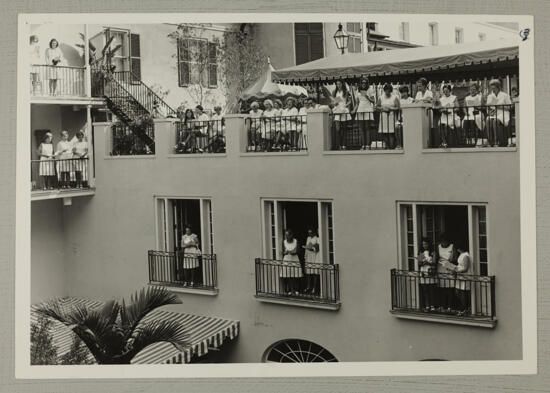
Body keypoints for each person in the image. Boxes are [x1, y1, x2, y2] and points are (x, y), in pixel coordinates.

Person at [434, 233, 458, 313]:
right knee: (442, 287)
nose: (443, 243)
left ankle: (449, 306)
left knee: (450, 288)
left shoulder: (452, 246)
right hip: (440, 268)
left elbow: (455, 258)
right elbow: (436, 257)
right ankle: (443, 305)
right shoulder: (438, 247)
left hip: (449, 268)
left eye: (445, 242)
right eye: (442, 242)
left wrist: (450, 261)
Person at [485, 79, 512, 147]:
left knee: (495, 121)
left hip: (503, 113)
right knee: (488, 119)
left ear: (498, 87)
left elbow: (510, 107)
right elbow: (488, 107)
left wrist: (500, 107)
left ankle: (497, 141)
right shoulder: (490, 96)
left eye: (494, 88)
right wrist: (489, 112)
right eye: (491, 88)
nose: (493, 90)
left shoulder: (505, 95)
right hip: (494, 113)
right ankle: (490, 141)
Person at [449, 241, 471, 316]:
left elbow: (465, 268)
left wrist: (456, 270)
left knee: (463, 293)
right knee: (457, 292)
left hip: (464, 276)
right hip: (459, 276)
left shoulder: (466, 255)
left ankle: (464, 309)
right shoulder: (461, 254)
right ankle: (463, 307)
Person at [353, 78, 376, 150]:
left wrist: (367, 97)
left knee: (367, 128)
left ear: (367, 83)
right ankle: (363, 145)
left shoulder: (370, 90)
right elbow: (357, 103)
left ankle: (368, 145)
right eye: (362, 83)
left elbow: (373, 101)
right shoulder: (358, 91)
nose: (363, 84)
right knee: (361, 129)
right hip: (360, 109)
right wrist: (354, 110)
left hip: (367, 108)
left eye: (365, 83)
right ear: (360, 83)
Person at [376, 84, 400, 149]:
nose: (387, 92)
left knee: (391, 132)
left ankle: (392, 146)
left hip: (391, 116)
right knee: (384, 133)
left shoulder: (395, 97)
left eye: (389, 91)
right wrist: (382, 109)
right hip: (383, 116)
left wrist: (391, 109)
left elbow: (398, 107)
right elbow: (377, 107)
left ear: (391, 91)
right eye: (386, 91)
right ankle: (387, 146)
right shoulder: (381, 97)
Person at [463, 83, 486, 147]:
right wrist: (465, 112)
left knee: (473, 120)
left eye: (474, 89)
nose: (472, 91)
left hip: (477, 112)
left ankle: (473, 138)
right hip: (469, 113)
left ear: (477, 90)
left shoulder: (480, 97)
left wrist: (479, 107)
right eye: (471, 89)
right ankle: (467, 138)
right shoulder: (467, 98)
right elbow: (464, 107)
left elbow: (484, 107)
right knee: (465, 120)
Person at [331, 80, 352, 150]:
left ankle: (344, 145)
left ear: (342, 84)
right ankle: (339, 144)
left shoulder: (346, 92)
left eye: (339, 84)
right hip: (337, 110)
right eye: (337, 84)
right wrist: (334, 103)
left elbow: (350, 101)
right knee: (338, 129)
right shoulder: (334, 92)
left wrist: (346, 105)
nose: (338, 85)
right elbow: (333, 101)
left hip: (344, 110)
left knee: (344, 129)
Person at [281, 229, 302, 296]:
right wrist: (285, 252)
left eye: (288, 235)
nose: (287, 237)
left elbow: (298, 250)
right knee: (287, 274)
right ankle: (289, 289)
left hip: (294, 259)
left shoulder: (296, 241)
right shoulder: (284, 242)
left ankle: (296, 289)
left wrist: (294, 252)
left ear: (291, 235)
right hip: (287, 259)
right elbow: (283, 251)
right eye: (286, 235)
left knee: (296, 274)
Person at [417, 238, 436, 312]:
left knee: (431, 289)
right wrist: (421, 263)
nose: (424, 245)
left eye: (426, 244)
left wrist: (427, 263)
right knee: (425, 290)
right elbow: (419, 263)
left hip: (430, 271)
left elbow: (434, 262)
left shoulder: (432, 252)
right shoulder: (421, 252)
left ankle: (432, 305)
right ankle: (427, 305)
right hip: (423, 271)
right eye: (423, 244)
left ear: (429, 244)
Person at [303, 228, 320, 296]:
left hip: (313, 256)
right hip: (308, 256)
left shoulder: (317, 238)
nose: (310, 234)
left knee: (314, 272)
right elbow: (306, 247)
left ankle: (314, 288)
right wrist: (305, 255)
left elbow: (316, 249)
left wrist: (310, 248)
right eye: (309, 233)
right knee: (308, 272)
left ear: (314, 233)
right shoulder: (308, 238)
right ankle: (308, 286)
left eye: (311, 233)